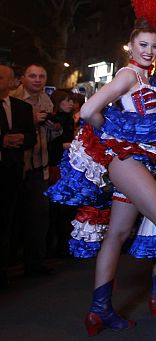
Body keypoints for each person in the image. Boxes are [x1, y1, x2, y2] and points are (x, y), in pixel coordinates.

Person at [46, 0, 156, 333]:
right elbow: (87, 111)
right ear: (131, 47)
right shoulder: (129, 75)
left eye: (153, 46)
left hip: (139, 162)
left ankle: (99, 310)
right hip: (127, 161)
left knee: (116, 233)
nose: (148, 51)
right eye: (142, 45)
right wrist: (112, 133)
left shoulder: (148, 80)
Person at [12, 63, 60, 276]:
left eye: (41, 76)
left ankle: (35, 261)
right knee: (13, 214)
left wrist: (55, 129)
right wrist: (29, 120)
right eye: (32, 76)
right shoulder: (12, 98)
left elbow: (49, 136)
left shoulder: (46, 100)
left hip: (39, 165)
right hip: (16, 164)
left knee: (40, 214)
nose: (37, 80)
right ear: (23, 78)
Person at [0, 63, 36, 288]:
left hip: (12, 172)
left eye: (2, 77)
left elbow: (32, 136)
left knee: (7, 222)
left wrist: (22, 140)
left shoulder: (21, 107)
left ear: (12, 81)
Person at [46, 90, 78, 259]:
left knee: (64, 208)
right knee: (59, 207)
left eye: (71, 101)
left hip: (65, 165)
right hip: (56, 166)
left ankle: (61, 244)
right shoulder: (56, 119)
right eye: (66, 100)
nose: (70, 104)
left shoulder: (68, 119)